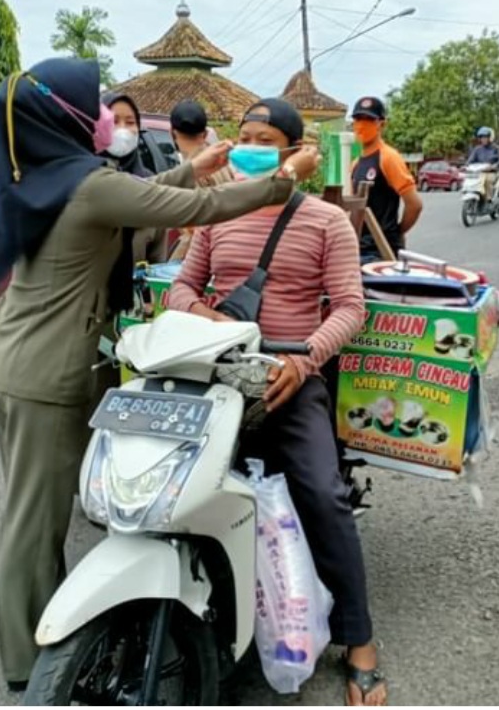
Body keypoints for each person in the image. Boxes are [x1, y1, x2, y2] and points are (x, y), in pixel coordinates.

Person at [0, 57, 315, 691]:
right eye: (97, 105)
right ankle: (34, 667)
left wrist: (196, 165)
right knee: (34, 520)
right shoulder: (88, 184)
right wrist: (281, 181)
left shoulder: (47, 174)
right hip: (46, 368)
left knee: (47, 506)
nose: (109, 117)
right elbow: (187, 207)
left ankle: (71, 630)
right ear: (66, 115)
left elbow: (148, 201)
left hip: (16, 355)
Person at [168, 97, 387, 706]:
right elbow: (181, 287)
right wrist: (207, 315)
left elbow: (350, 307)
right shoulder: (216, 214)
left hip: (292, 376)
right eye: (245, 135)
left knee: (323, 492)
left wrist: (303, 359)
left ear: (293, 151)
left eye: (265, 137)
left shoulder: (324, 221)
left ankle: (359, 637)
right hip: (217, 375)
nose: (251, 146)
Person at [349, 96, 421, 262]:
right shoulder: (356, 162)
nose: (362, 124)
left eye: (369, 119)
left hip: (381, 252)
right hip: (358, 248)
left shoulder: (388, 157)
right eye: (358, 119)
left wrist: (397, 232)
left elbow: (415, 205)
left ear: (381, 124)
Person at [100, 91, 167, 264]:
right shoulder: (82, 181)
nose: (122, 130)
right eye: (114, 121)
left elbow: (157, 263)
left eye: (130, 122)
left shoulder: (150, 185)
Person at [168, 98, 235, 261]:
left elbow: (193, 229)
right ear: (205, 134)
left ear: (172, 132)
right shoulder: (224, 163)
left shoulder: (190, 172)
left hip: (201, 254)